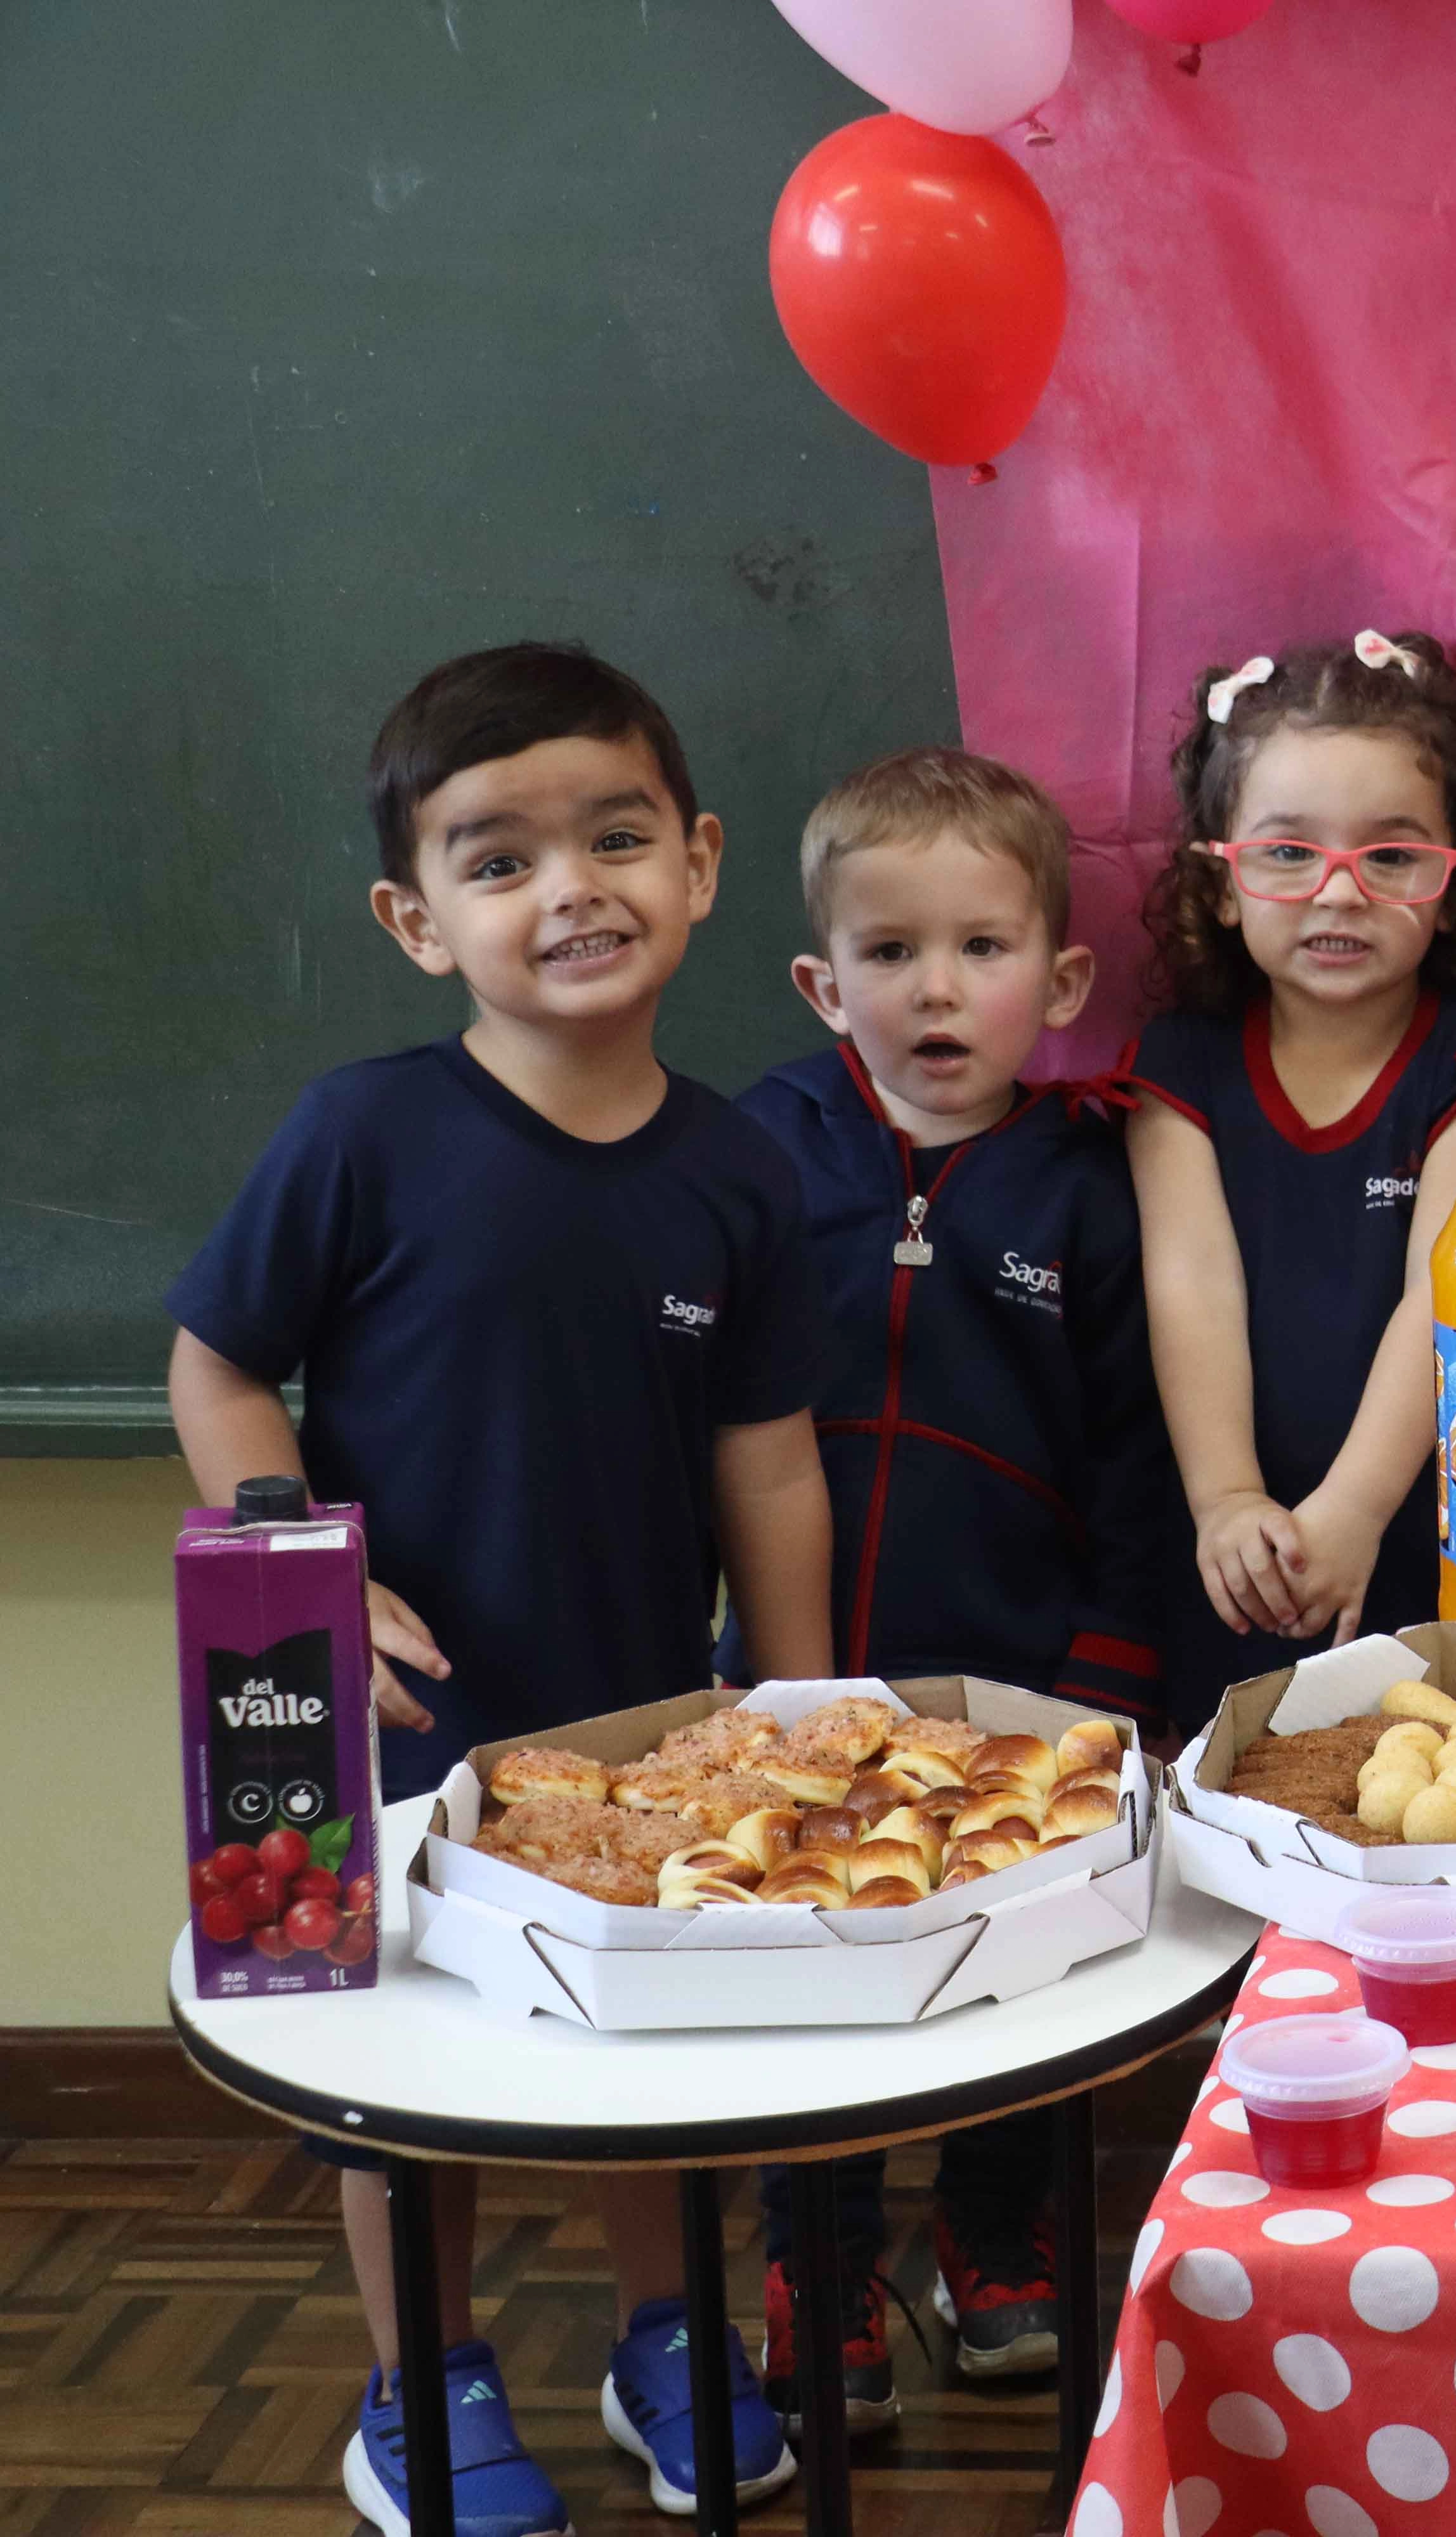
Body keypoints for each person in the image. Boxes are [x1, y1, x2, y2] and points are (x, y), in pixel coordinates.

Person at [166, 642, 820, 2534]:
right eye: (499, 857)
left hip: (641, 1720)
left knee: (650, 2045)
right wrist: (296, 1564)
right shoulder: (361, 1136)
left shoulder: (740, 1172)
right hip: (389, 1718)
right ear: (416, 920)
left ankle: (668, 2337)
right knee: (394, 2070)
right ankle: (424, 2383)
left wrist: (796, 1707)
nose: (571, 889)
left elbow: (767, 1458)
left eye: (617, 837)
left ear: (699, 862)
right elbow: (214, 1362)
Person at [724, 748, 1186, 2430]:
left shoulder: (1096, 1183)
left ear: (1059, 980)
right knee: (808, 1993)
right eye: (892, 951)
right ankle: (820, 2263)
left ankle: (995, 2238)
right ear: (818, 980)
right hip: (788, 1681)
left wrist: (1107, 1674)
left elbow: (1144, 1456)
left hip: (1026, 1687)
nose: (937, 990)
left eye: (983, 950)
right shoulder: (756, 1156)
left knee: (1014, 1976)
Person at [1122, 632, 1456, 1716]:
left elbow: (1449, 1293)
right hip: (1233, 1546)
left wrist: (1355, 1511)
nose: (1340, 893)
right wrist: (1229, 1500)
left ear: (1453, 889)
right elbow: (1192, 1282)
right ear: (1221, 884)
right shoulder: (1177, 1067)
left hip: (1413, 1532)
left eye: (1392, 856)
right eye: (1288, 854)